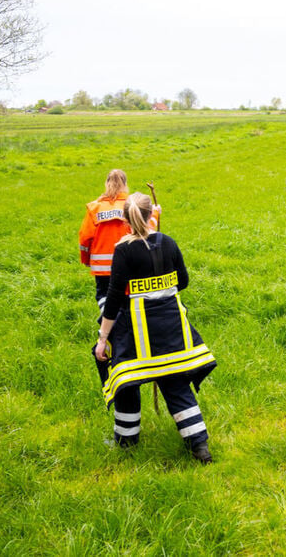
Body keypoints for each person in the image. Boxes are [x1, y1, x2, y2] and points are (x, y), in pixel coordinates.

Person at [95, 193, 216, 462]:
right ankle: (199, 445)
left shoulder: (123, 250)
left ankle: (126, 442)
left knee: (125, 382)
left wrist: (103, 339)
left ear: (125, 220)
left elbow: (113, 299)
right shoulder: (168, 243)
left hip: (138, 334)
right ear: (152, 215)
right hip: (173, 328)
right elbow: (182, 282)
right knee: (175, 381)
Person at [79, 170, 160, 387]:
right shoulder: (134, 204)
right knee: (126, 303)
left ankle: (110, 340)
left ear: (106, 183)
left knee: (108, 304)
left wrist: (87, 259)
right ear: (125, 184)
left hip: (104, 271)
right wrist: (157, 214)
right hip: (132, 267)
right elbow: (149, 228)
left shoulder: (94, 208)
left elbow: (84, 238)